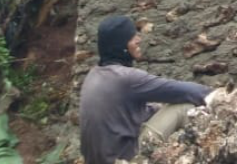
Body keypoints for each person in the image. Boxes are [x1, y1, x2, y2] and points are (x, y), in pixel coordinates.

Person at [79, 15, 217, 163]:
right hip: (127, 160)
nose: (139, 40)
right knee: (183, 108)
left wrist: (158, 108)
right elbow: (184, 91)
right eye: (132, 37)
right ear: (121, 46)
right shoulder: (126, 78)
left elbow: (130, 112)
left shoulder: (93, 75)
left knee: (161, 108)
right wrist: (221, 97)